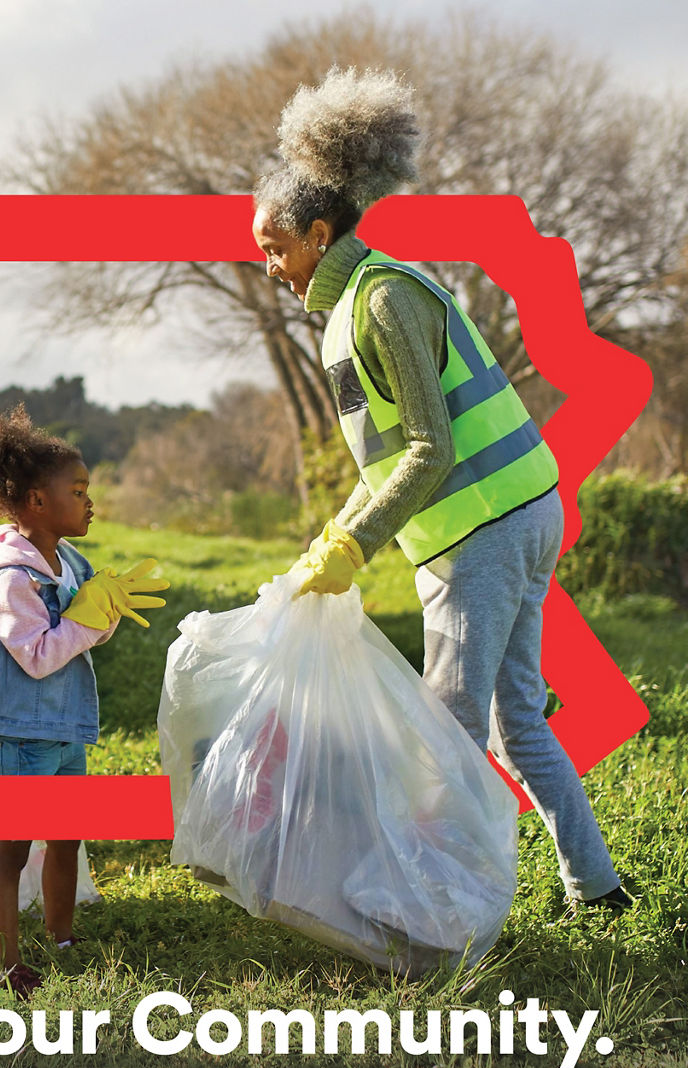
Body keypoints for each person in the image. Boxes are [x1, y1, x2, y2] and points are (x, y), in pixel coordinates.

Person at [250, 68, 630, 913]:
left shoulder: (381, 300)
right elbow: (390, 460)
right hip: (520, 513)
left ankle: (433, 906)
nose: (268, 265)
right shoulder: (364, 297)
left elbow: (431, 449)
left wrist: (357, 544)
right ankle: (596, 886)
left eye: (275, 246)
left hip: (482, 533)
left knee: (444, 733)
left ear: (318, 233)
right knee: (516, 720)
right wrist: (334, 534)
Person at [0, 405, 168, 997]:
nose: (89, 502)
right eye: (77, 492)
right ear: (35, 501)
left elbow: (86, 635)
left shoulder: (69, 560)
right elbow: (38, 656)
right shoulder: (11, 579)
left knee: (66, 837)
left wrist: (105, 608)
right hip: (26, 734)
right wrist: (85, 618)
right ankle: (7, 962)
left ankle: (62, 938)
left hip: (66, 728)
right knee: (12, 849)